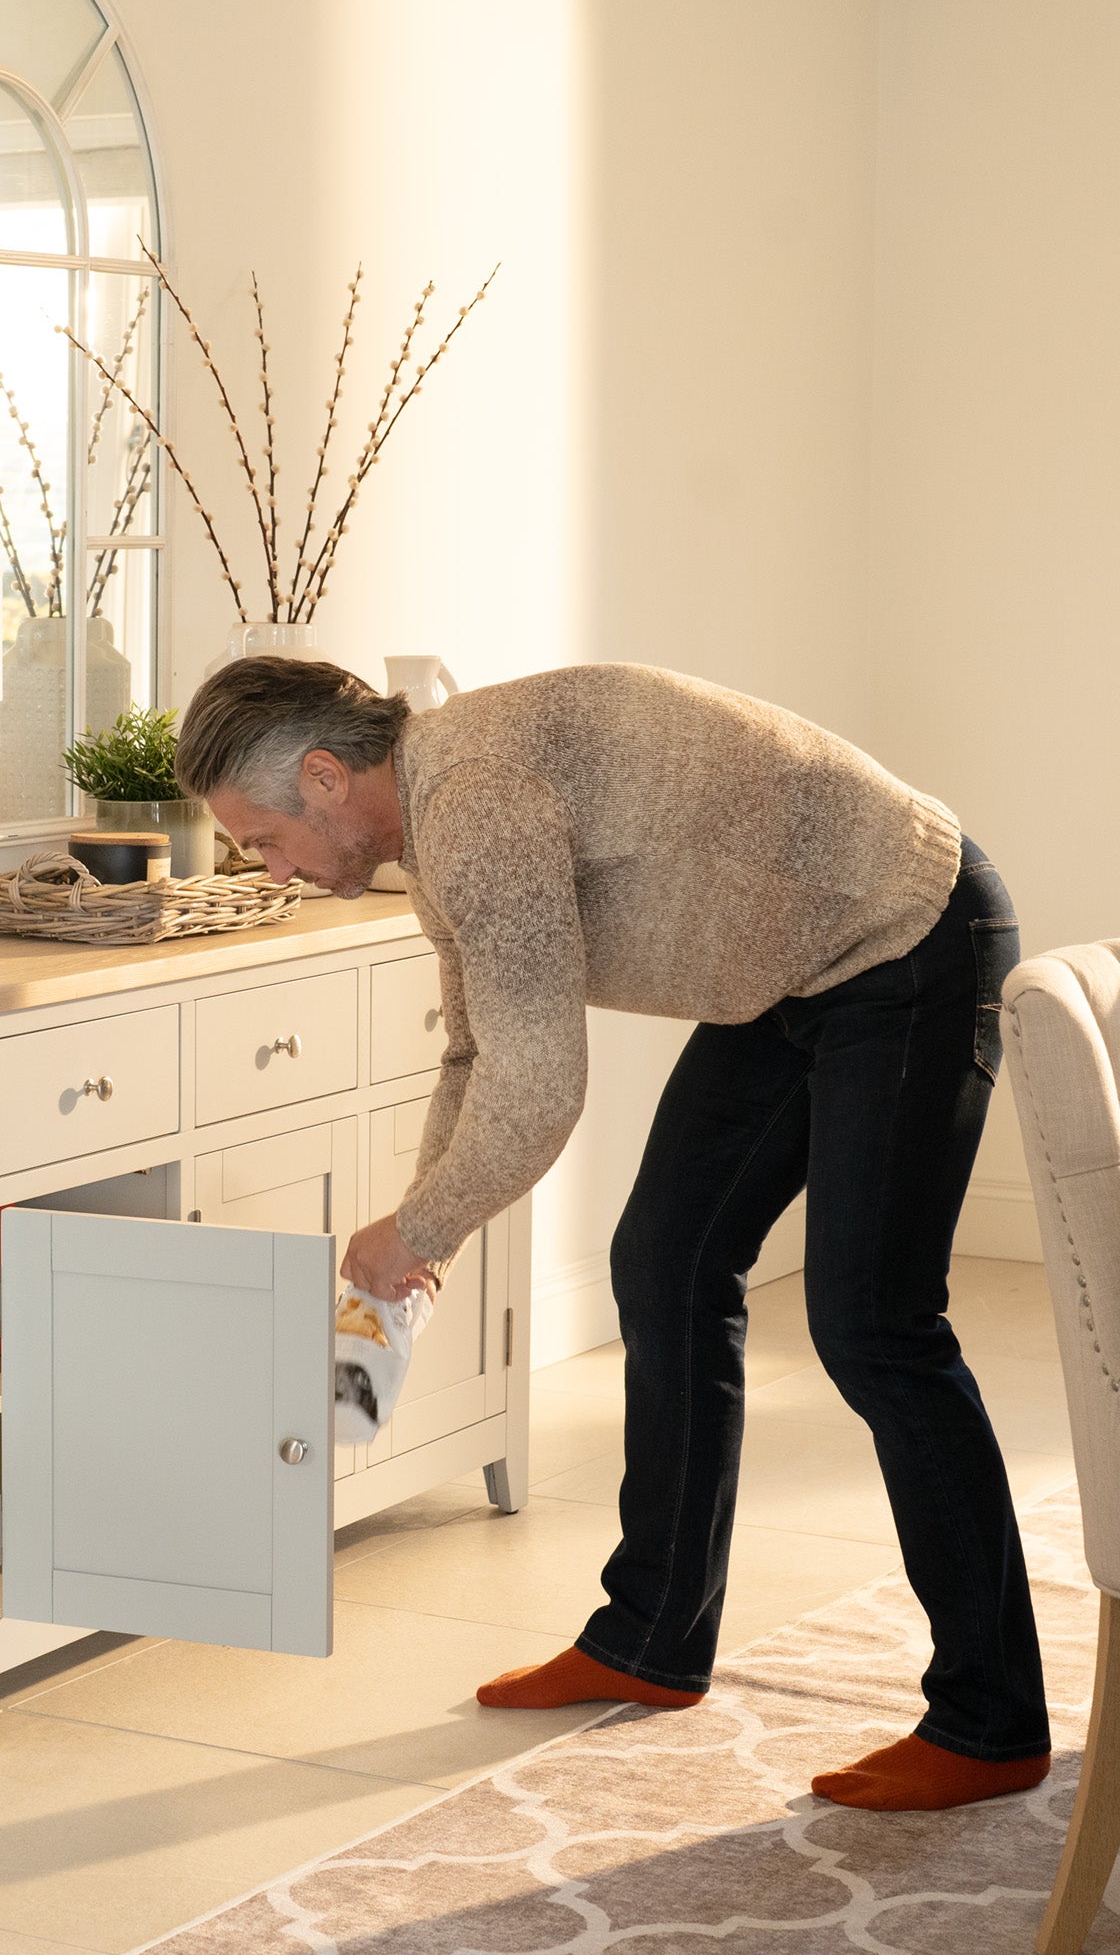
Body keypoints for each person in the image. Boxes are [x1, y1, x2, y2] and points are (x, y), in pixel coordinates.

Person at [174, 656, 1046, 1813]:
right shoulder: (430, 824)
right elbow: (477, 1051)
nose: (265, 865)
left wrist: (414, 1224)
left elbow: (539, 1087)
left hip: (904, 935)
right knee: (664, 1261)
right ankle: (650, 1635)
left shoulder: (471, 800)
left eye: (261, 837)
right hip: (786, 972)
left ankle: (992, 1719)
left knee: (871, 1322)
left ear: (325, 777)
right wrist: (422, 1237)